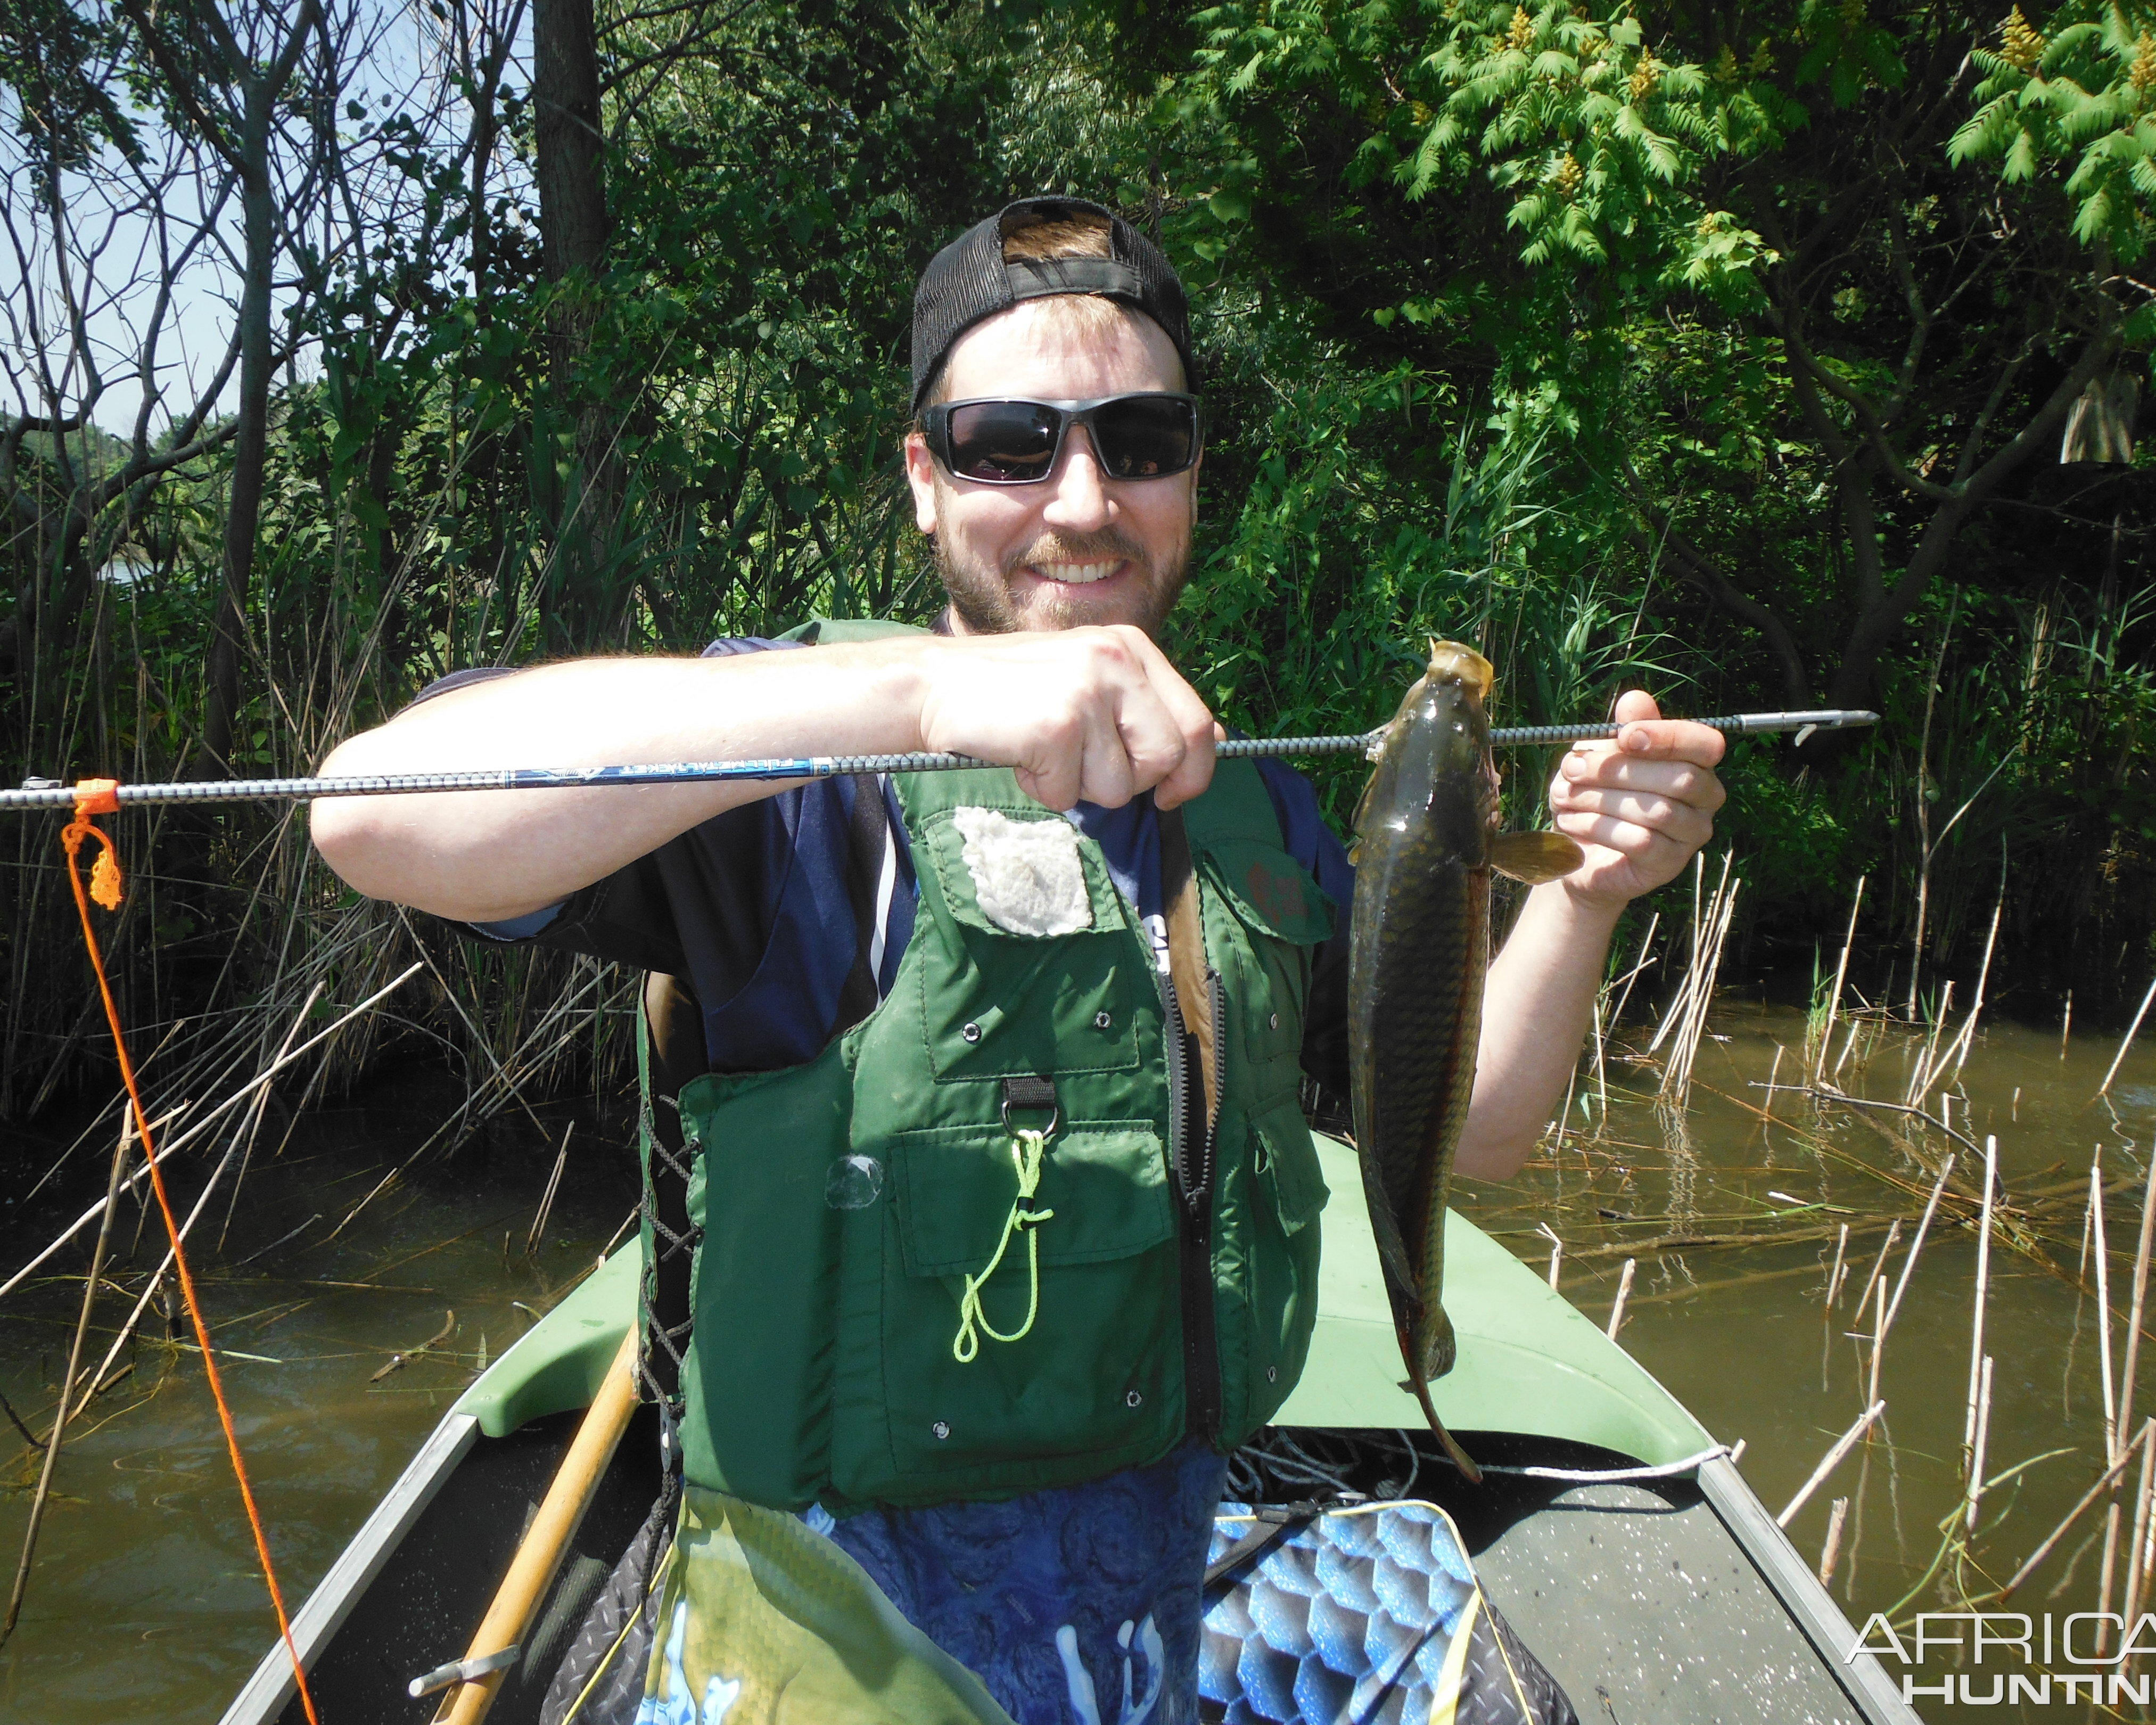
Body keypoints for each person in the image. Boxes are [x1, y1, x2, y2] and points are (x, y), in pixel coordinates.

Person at [311, 196, 1728, 1725]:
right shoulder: (798, 776)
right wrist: (927, 696)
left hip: (1148, 1614)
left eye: (1140, 439)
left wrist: (1584, 892)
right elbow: (371, 817)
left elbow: (1489, 1132)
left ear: (1191, 478)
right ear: (923, 483)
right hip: (826, 1645)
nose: (1081, 498)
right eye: (1006, 442)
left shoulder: (1266, 820)